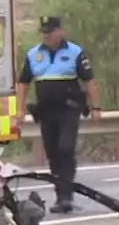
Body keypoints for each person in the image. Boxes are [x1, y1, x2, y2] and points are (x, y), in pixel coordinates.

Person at [15, 16, 101, 214]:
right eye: (44, 32)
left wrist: (96, 107)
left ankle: (66, 195)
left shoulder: (74, 52)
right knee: (53, 154)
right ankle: (61, 195)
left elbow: (89, 80)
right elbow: (23, 83)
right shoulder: (34, 54)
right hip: (46, 111)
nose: (47, 36)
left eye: (50, 32)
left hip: (68, 110)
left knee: (65, 149)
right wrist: (19, 109)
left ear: (60, 31)